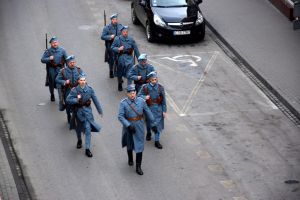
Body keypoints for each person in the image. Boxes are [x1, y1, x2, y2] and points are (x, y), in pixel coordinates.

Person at [118, 85, 157, 175]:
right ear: (127, 94)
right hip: (128, 126)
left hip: (139, 126)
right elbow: (120, 116)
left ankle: (138, 166)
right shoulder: (123, 103)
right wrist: (128, 125)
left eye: (134, 92)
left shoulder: (141, 101)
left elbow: (148, 113)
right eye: (130, 93)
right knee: (129, 143)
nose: (132, 94)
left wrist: (153, 124)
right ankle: (130, 158)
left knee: (139, 146)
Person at [66, 75, 103, 158]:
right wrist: (76, 100)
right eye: (81, 80)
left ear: (86, 81)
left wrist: (100, 111)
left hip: (87, 114)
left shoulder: (89, 89)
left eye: (84, 80)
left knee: (88, 129)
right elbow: (68, 99)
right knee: (78, 129)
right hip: (78, 113)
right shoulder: (75, 90)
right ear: (78, 81)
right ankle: (79, 139)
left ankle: (87, 149)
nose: (83, 82)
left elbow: (95, 100)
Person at [138, 72, 167, 149]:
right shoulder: (145, 87)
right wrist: (144, 97)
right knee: (148, 122)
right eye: (153, 79)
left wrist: (164, 111)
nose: (155, 81)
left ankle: (157, 141)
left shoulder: (160, 87)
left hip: (158, 108)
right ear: (149, 80)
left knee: (157, 125)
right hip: (148, 108)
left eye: (155, 79)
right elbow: (138, 96)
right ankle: (148, 132)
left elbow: (164, 100)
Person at [56, 55, 84, 123]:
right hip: (68, 90)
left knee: (80, 102)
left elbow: (84, 75)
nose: (72, 63)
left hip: (77, 90)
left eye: (74, 62)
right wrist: (65, 82)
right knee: (68, 105)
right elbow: (57, 79)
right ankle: (68, 115)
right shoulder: (63, 71)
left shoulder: (78, 69)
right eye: (71, 62)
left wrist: (81, 78)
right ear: (67, 63)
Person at [111, 26, 140, 91]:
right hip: (120, 58)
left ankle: (129, 88)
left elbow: (136, 50)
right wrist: (118, 49)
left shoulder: (131, 39)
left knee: (130, 73)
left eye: (126, 32)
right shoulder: (117, 39)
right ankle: (119, 83)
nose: (125, 33)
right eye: (124, 32)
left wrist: (140, 60)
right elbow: (112, 47)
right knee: (120, 72)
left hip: (129, 59)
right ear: (121, 32)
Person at [41, 36, 68, 101]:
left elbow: (67, 59)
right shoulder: (48, 51)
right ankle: (52, 94)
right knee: (52, 82)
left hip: (60, 68)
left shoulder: (62, 50)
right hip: (51, 69)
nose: (55, 44)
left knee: (61, 82)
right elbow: (42, 60)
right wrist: (49, 58)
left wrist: (67, 69)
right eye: (53, 43)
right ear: (51, 44)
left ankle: (62, 95)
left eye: (56, 42)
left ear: (58, 42)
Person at [101, 13, 124, 78]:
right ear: (111, 20)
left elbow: (124, 32)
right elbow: (102, 37)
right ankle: (111, 70)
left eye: (116, 19)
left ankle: (118, 72)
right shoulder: (107, 28)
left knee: (120, 60)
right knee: (111, 60)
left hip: (118, 45)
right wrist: (110, 37)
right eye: (114, 19)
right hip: (110, 45)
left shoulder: (120, 26)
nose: (115, 21)